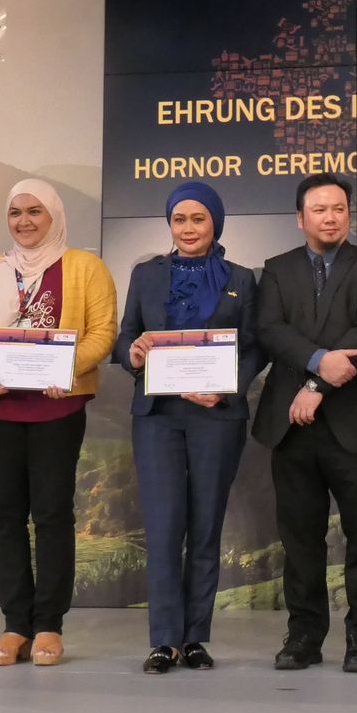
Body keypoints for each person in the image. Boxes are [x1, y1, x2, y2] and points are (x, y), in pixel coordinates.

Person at [0, 179, 116, 668]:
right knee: (3, 517)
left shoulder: (85, 267)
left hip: (56, 410)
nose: (24, 221)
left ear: (54, 216)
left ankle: (48, 624)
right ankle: (15, 625)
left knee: (51, 516)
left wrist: (65, 368)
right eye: (15, 212)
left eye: (34, 211)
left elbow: (103, 332)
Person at [113, 181, 265, 674]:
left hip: (216, 416)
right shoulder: (146, 274)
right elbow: (125, 336)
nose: (189, 228)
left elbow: (255, 347)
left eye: (198, 219)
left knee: (205, 527)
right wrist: (133, 353)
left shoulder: (242, 278)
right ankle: (164, 640)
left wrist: (228, 388)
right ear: (169, 224)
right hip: (157, 416)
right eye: (179, 219)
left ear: (215, 223)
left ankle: (195, 637)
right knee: (162, 528)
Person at [252, 173, 357, 673]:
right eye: (319, 210)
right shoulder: (276, 269)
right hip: (290, 424)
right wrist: (317, 361)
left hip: (355, 422)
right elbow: (270, 330)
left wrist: (316, 385)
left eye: (339, 209)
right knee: (300, 539)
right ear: (300, 218)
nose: (330, 218)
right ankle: (304, 635)